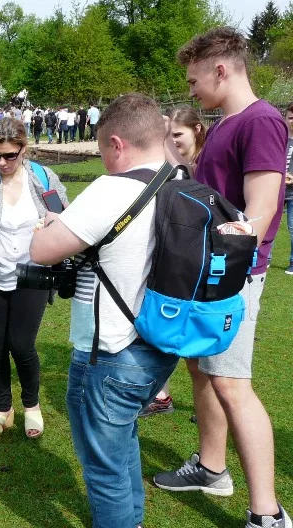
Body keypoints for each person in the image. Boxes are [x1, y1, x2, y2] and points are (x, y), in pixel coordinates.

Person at [154, 26, 291, 528]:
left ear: (221, 70)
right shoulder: (227, 125)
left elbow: (259, 211)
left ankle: (269, 514)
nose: (190, 92)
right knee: (203, 374)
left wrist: (217, 256)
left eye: (193, 80)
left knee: (234, 386)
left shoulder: (260, 121)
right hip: (205, 277)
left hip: (232, 278)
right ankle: (212, 468)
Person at [31, 93, 179, 528]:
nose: (100, 157)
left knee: (104, 459)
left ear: (116, 142)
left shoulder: (111, 189)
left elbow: (41, 250)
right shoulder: (181, 181)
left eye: (100, 148)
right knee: (123, 438)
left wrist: (52, 223)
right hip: (162, 342)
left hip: (112, 349)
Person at [0, 117, 68, 440]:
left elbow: (63, 218)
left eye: (9, 155)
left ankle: (31, 406)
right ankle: (3, 409)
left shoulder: (43, 178)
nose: (2, 162)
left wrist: (52, 224)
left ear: (24, 150)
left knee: (21, 345)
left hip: (31, 275)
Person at [138, 104, 207, 418]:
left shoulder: (201, 165)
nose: (173, 140)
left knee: (195, 342)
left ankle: (210, 405)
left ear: (197, 130)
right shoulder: (182, 164)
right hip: (176, 256)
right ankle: (164, 395)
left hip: (194, 262)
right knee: (166, 331)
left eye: (177, 134)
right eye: (169, 135)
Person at [284, 103, 293, 275]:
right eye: (291, 117)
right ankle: (265, 258)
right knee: (268, 224)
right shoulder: (279, 138)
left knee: (292, 228)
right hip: (275, 191)